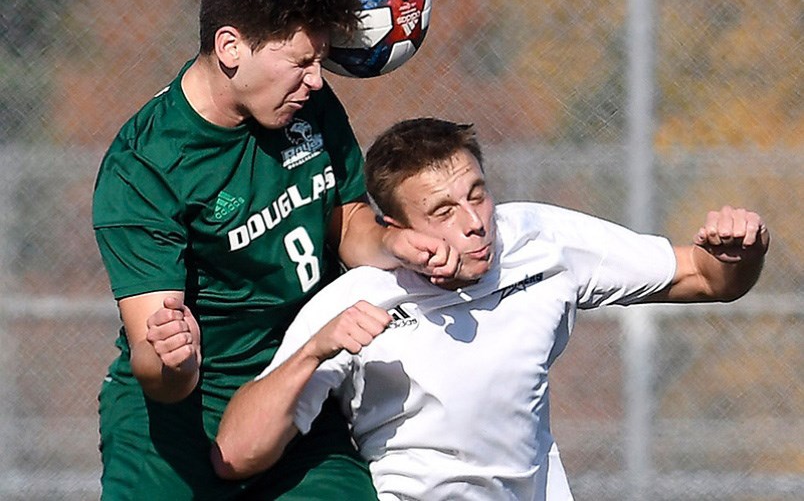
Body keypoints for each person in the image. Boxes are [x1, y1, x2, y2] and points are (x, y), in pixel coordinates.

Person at [211, 117, 770, 500]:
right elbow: (234, 454)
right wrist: (314, 350)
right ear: (395, 228)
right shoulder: (356, 299)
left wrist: (739, 254)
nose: (474, 222)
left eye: (477, 193)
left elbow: (706, 277)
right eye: (443, 210)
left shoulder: (540, 240)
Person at [92, 0, 458, 500]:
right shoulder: (145, 165)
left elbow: (347, 219)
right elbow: (153, 357)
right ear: (230, 47)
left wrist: (396, 244)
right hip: (179, 421)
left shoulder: (306, 105)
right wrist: (174, 360)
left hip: (294, 390)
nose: (317, 79)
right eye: (302, 62)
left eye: (321, 59)